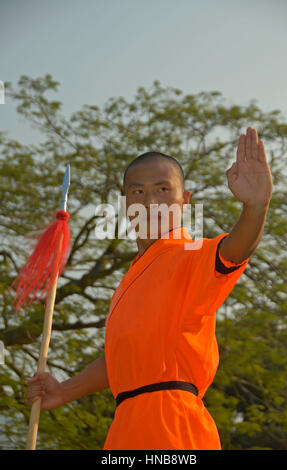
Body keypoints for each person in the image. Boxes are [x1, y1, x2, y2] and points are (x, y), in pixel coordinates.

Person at [26, 126, 273, 449]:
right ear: (126, 203)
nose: (150, 202)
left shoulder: (190, 255)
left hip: (171, 426)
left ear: (184, 201)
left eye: (162, 189)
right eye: (138, 192)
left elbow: (236, 250)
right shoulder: (132, 275)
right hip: (125, 427)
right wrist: (66, 390)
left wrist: (256, 207)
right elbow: (125, 359)